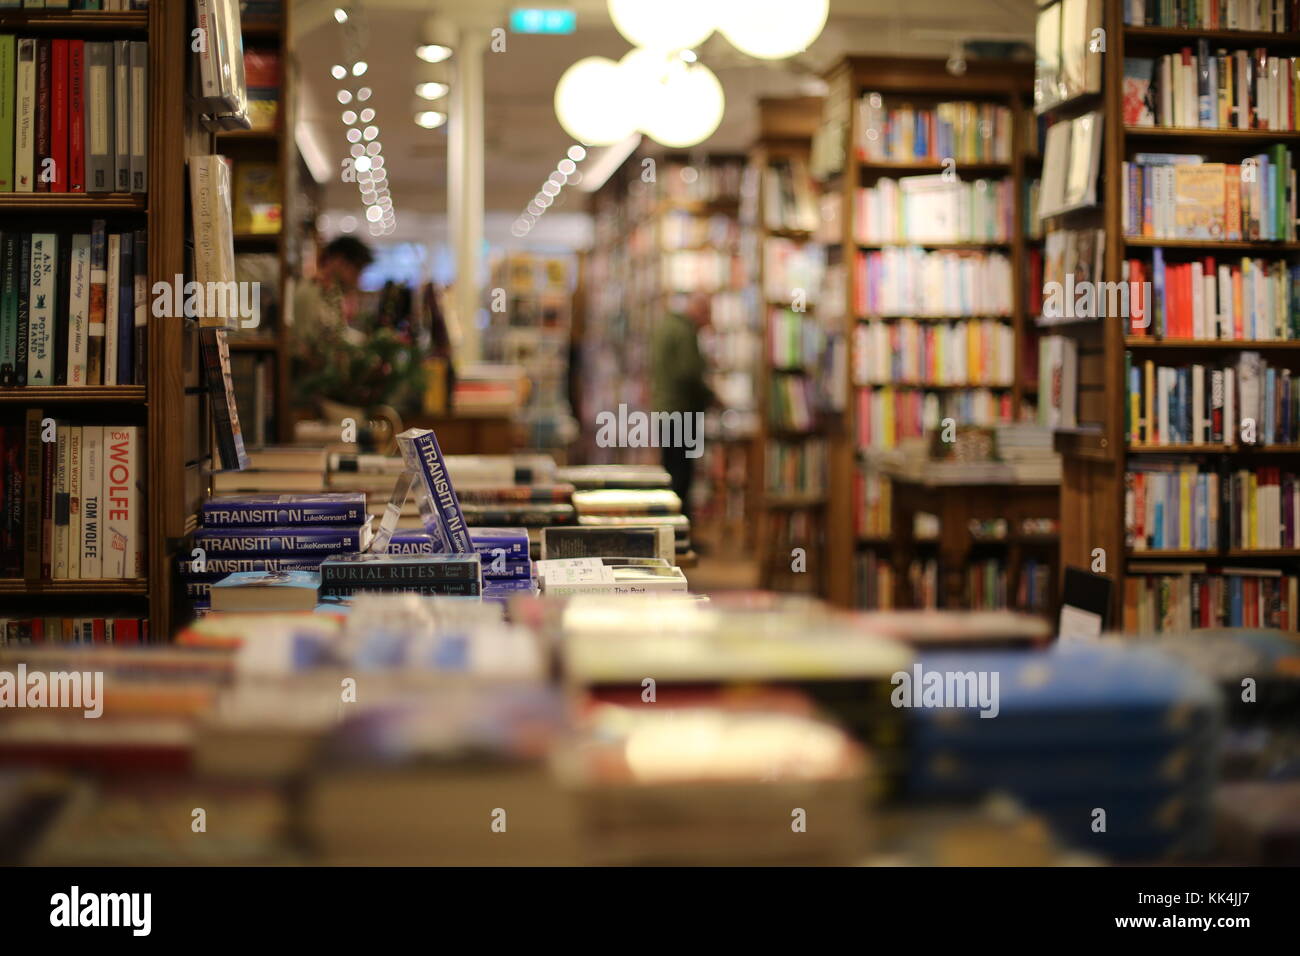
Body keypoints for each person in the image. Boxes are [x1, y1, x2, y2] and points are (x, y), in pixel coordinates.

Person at [651, 292, 716, 521]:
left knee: (671, 472)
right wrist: (712, 397)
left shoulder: (666, 326)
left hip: (666, 409)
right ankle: (680, 532)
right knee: (682, 476)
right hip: (682, 412)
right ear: (697, 310)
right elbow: (689, 373)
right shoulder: (684, 331)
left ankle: (672, 530)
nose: (708, 321)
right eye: (707, 313)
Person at [290, 236, 375, 355]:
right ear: (339, 261)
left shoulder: (332, 293)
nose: (357, 279)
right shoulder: (310, 291)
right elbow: (305, 345)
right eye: (356, 270)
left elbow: (337, 334)